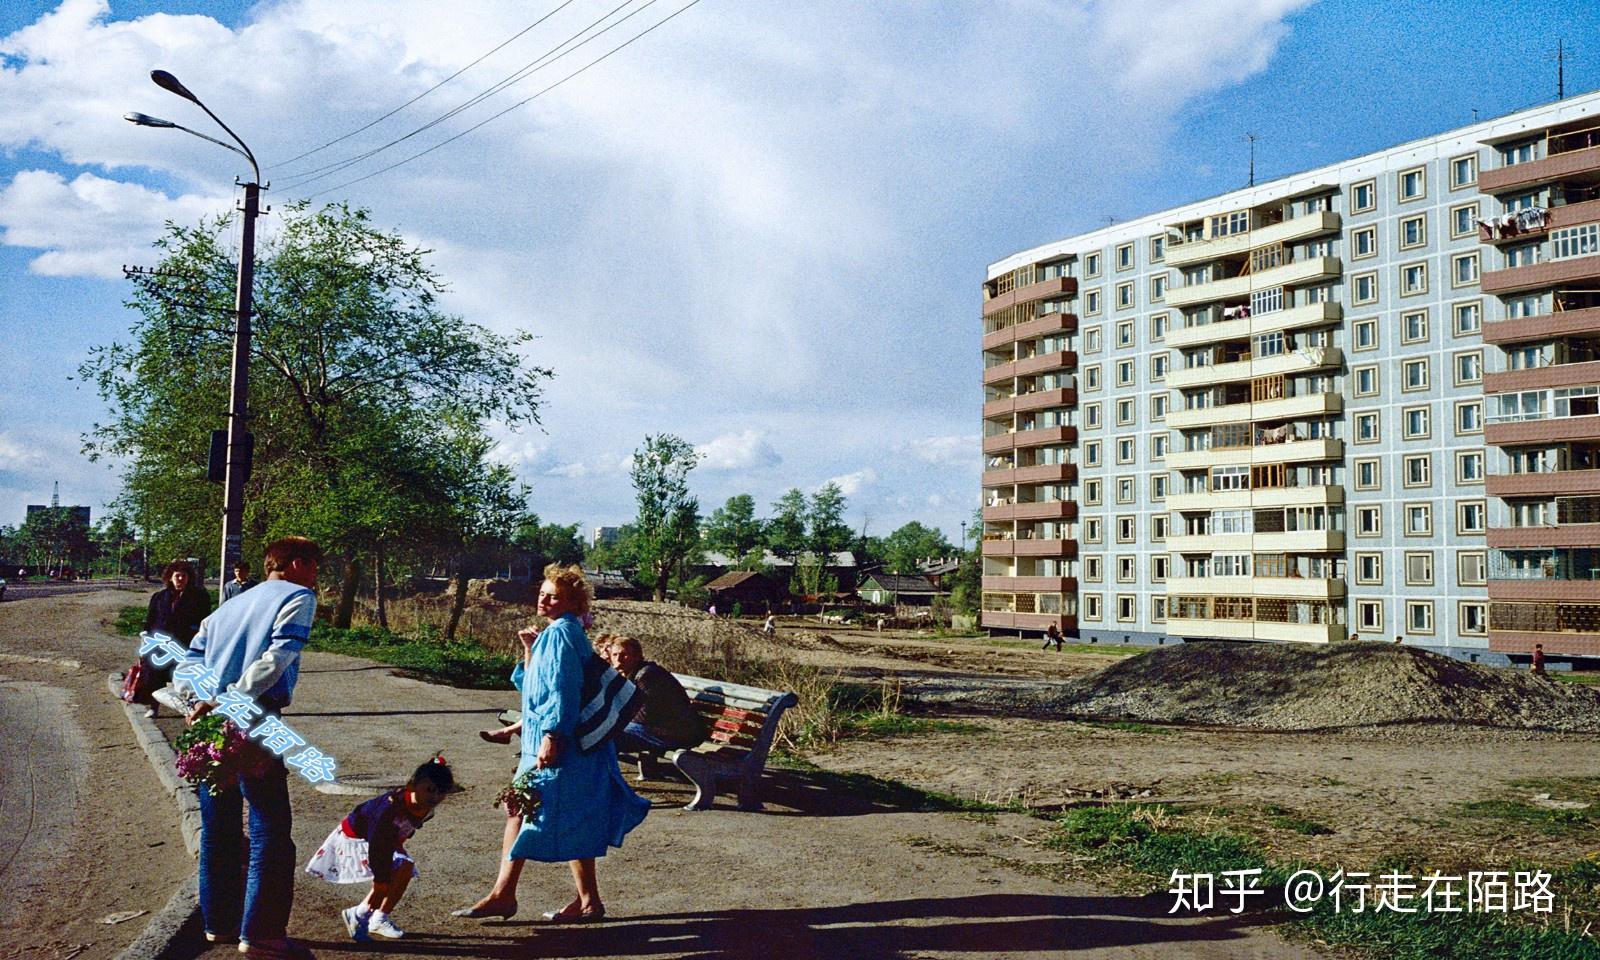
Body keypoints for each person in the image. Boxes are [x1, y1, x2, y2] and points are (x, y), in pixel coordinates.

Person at [456, 563, 649, 924]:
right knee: (562, 815)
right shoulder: (557, 632)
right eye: (542, 593)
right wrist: (529, 649)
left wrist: (552, 736)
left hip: (558, 745)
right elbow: (535, 689)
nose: (543, 600)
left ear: (573, 603)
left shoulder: (561, 634)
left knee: (520, 808)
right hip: (547, 743)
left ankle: (505, 895)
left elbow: (562, 691)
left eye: (554, 596)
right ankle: (585, 901)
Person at [173, 537, 322, 959]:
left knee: (218, 825)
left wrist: (198, 702)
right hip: (253, 716)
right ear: (296, 564)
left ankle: (217, 924)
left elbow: (189, 664)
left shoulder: (230, 605)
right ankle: (262, 934)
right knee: (269, 828)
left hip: (206, 721)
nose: (315, 576)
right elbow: (278, 657)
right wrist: (233, 699)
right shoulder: (298, 596)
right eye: (314, 566)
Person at [307, 756, 454, 941]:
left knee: (403, 870)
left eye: (441, 792)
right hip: (358, 839)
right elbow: (377, 847)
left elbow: (405, 830)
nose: (435, 797)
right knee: (391, 876)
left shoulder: (426, 807)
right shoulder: (390, 809)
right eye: (430, 790)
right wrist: (381, 880)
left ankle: (377, 918)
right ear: (412, 786)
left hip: (384, 841)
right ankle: (360, 915)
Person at [606, 635, 706, 755]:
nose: (619, 659)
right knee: (602, 733)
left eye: (624, 654)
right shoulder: (630, 674)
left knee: (607, 738)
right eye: (615, 655)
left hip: (673, 733)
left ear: (637, 657)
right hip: (654, 728)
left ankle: (606, 773)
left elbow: (645, 715)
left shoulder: (647, 675)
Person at [142, 559, 212, 718]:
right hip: (160, 645)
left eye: (183, 576)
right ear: (170, 577)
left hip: (185, 645)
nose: (180, 579)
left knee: (185, 677)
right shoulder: (159, 597)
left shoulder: (199, 597)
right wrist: (145, 637)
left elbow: (205, 620)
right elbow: (150, 620)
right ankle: (153, 707)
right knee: (154, 676)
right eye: (177, 576)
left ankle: (191, 708)